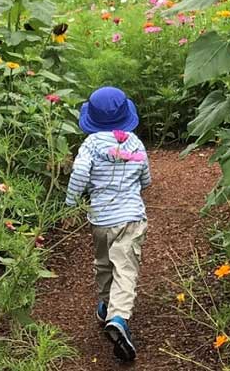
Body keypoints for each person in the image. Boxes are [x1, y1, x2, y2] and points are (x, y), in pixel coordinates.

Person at [65, 86, 151, 362]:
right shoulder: (135, 143)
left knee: (103, 263)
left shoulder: (90, 146)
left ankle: (105, 305)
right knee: (125, 266)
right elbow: (146, 177)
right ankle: (118, 316)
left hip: (100, 219)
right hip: (130, 218)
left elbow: (79, 174)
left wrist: (71, 202)